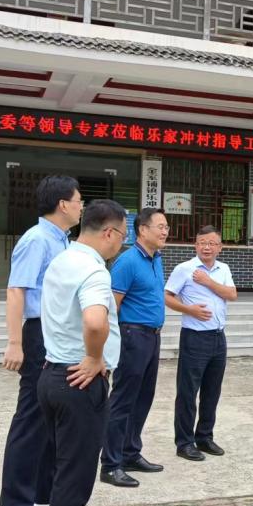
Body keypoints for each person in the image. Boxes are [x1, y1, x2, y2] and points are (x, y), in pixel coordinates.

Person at [39, 198, 128, 506]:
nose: (121, 244)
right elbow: (94, 322)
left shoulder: (62, 258)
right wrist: (94, 357)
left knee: (64, 464)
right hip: (79, 380)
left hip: (52, 375)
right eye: (122, 236)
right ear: (109, 232)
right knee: (74, 473)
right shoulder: (94, 270)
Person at [0, 175, 82, 506]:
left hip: (57, 331)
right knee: (31, 416)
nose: (81, 207)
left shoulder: (62, 240)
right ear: (63, 204)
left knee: (51, 413)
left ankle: (42, 490)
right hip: (37, 332)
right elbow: (16, 290)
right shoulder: (36, 240)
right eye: (78, 200)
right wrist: (15, 342)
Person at [100, 207, 170, 487]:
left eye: (166, 227)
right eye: (160, 226)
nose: (165, 231)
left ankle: (130, 453)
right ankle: (110, 464)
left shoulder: (156, 259)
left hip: (152, 336)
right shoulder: (127, 262)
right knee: (123, 400)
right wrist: (109, 346)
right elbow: (112, 307)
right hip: (132, 336)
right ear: (142, 230)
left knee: (143, 398)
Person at [166, 225, 238, 461]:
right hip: (194, 337)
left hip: (218, 337)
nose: (207, 247)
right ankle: (184, 443)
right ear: (195, 245)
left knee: (212, 391)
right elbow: (166, 296)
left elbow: (232, 294)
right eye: (202, 243)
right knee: (188, 392)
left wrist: (208, 282)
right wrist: (189, 310)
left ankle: (205, 437)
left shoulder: (223, 269)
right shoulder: (184, 269)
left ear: (220, 247)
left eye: (212, 243)